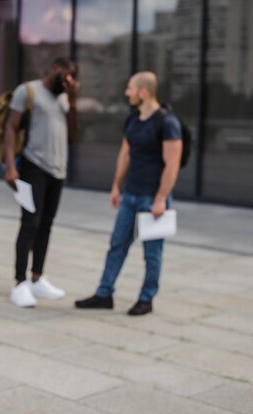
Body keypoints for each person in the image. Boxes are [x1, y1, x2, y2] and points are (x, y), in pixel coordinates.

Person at [75, 71, 182, 316]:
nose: (127, 93)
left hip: (152, 199)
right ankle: (104, 294)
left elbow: (172, 164)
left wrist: (160, 198)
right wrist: (116, 186)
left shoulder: (167, 122)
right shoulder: (133, 119)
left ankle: (146, 299)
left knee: (152, 253)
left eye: (130, 88)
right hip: (130, 195)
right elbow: (125, 153)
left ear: (144, 92)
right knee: (117, 245)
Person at [4, 57, 80, 308]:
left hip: (58, 170)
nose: (69, 82)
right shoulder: (29, 90)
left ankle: (37, 278)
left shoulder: (64, 98)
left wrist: (73, 100)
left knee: (46, 225)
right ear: (56, 69)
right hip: (32, 166)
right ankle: (19, 283)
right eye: (66, 76)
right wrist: (11, 166)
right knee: (30, 223)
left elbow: (74, 135)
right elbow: (11, 128)